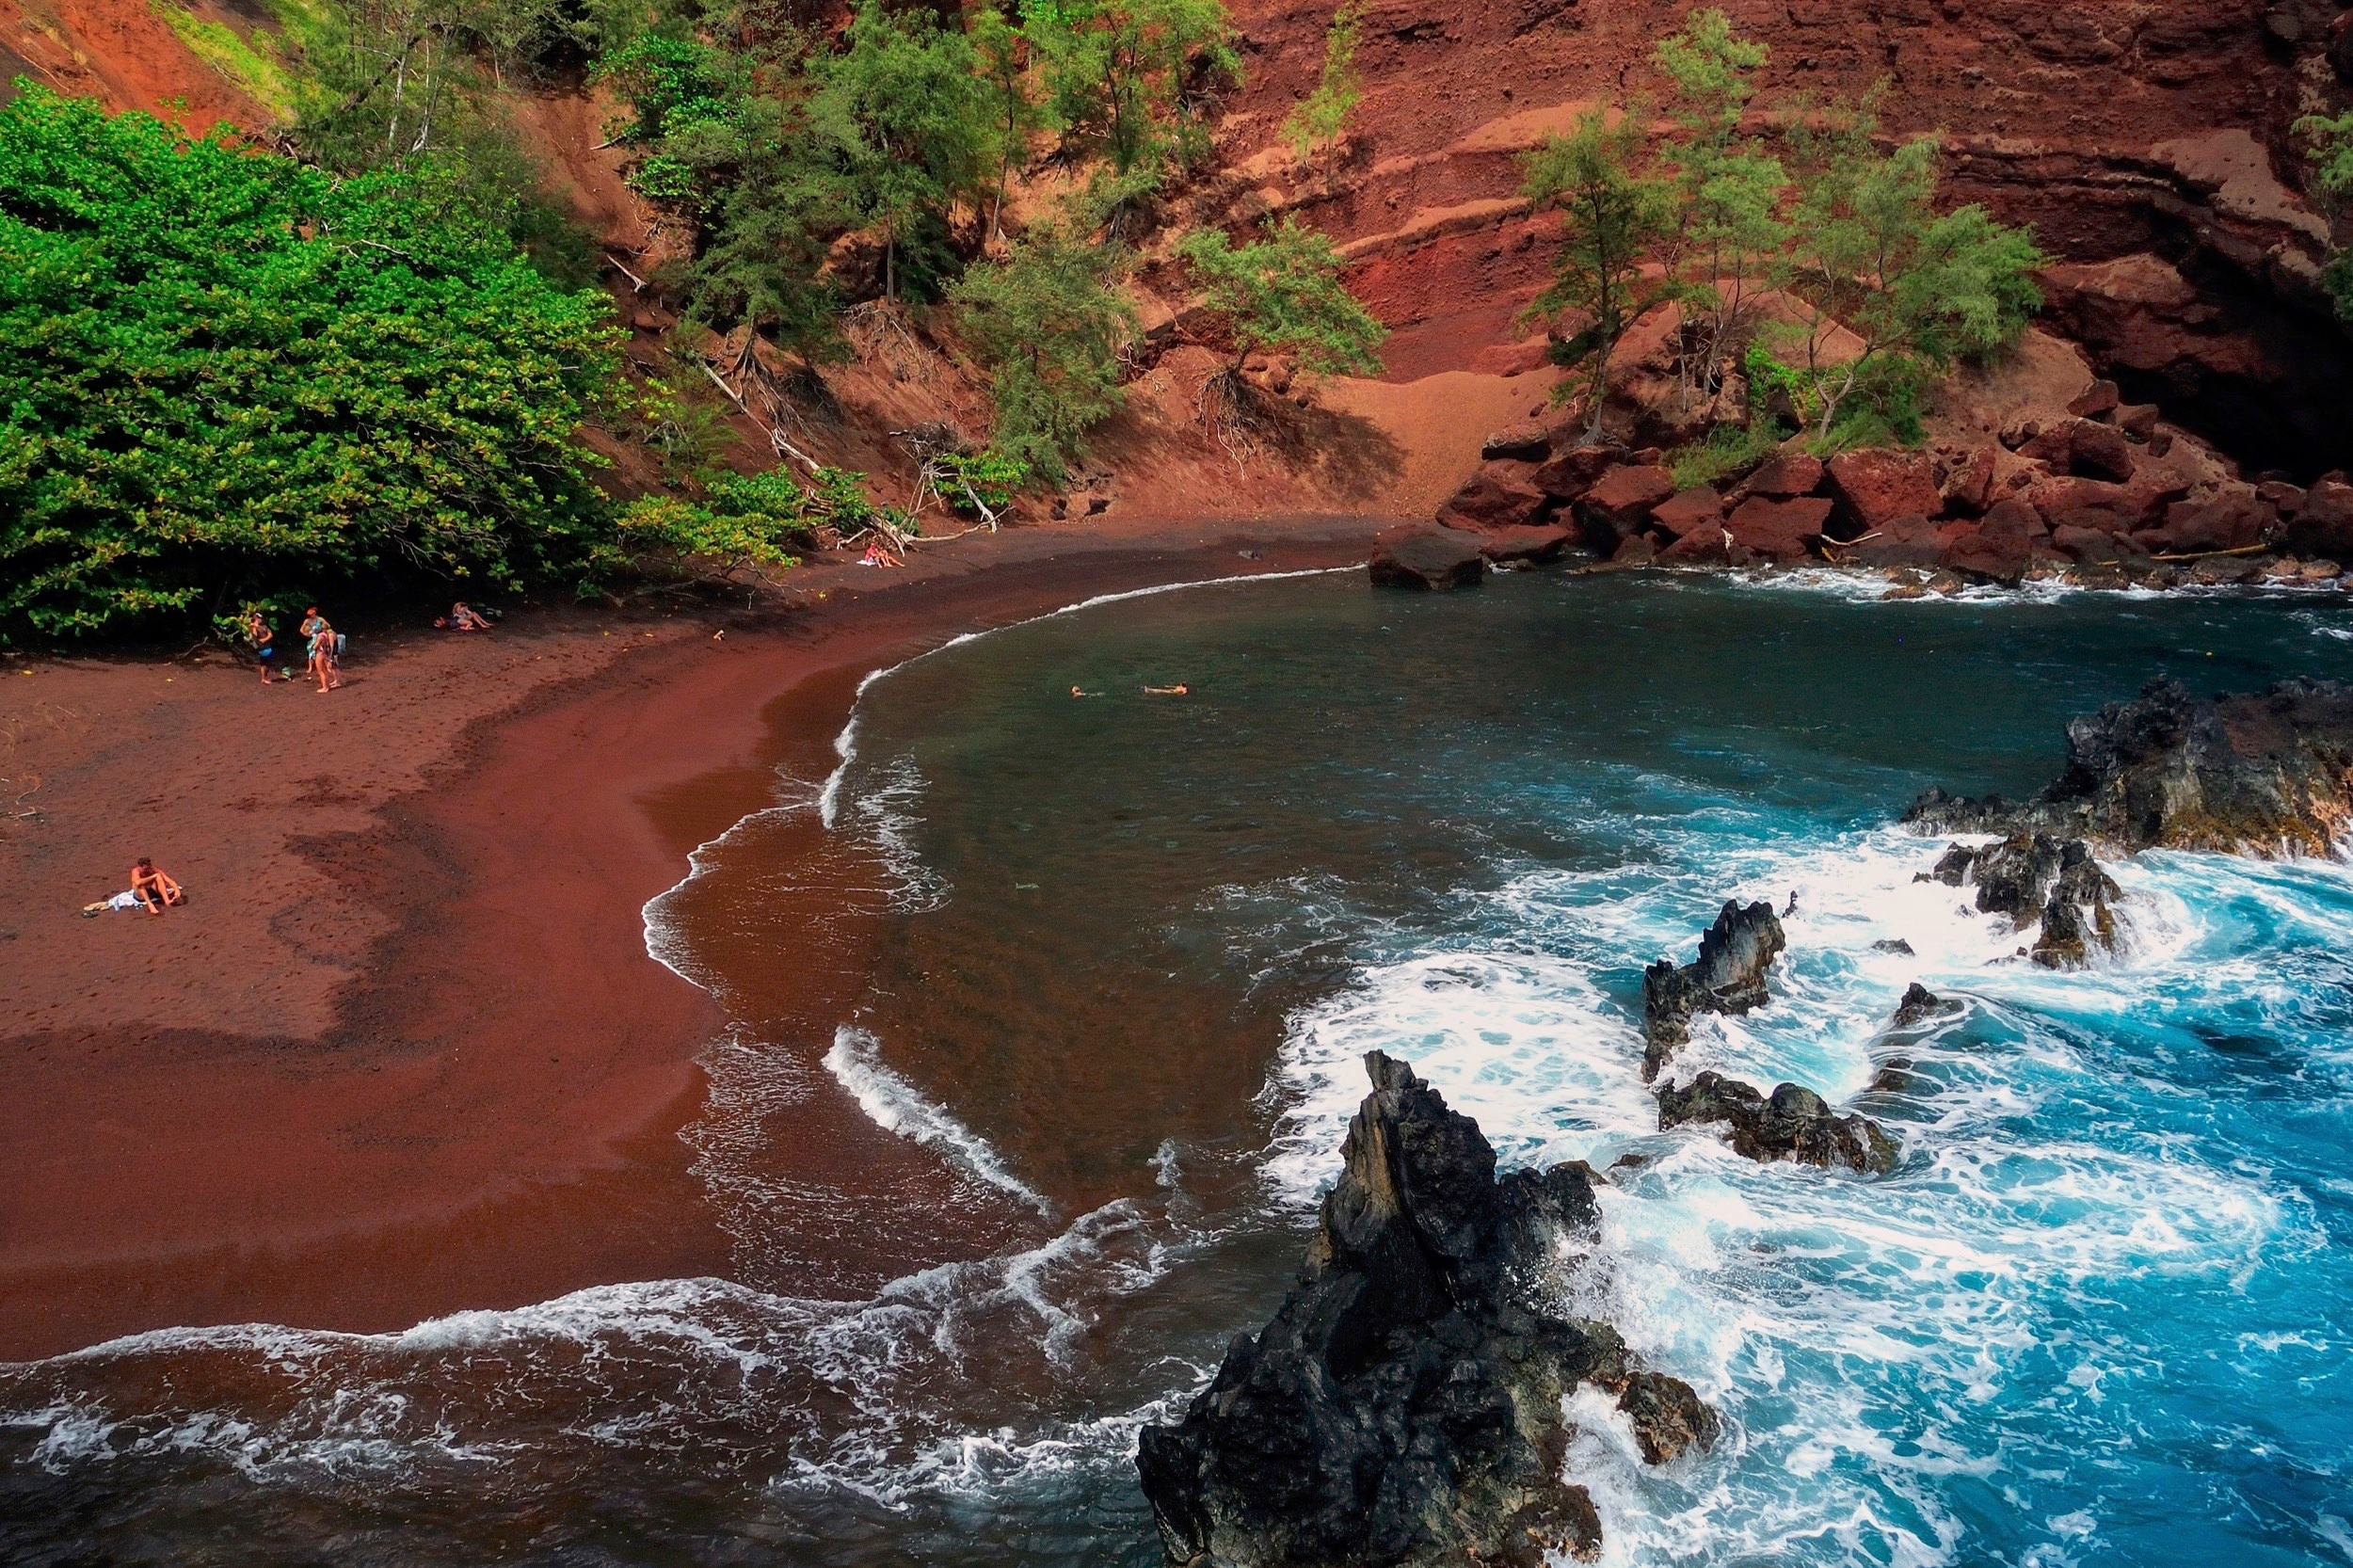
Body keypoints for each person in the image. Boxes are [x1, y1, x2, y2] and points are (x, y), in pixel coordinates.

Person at [244, 608, 279, 685]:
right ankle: (263, 678)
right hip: (261, 648)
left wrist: (264, 639)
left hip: (267, 646)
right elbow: (255, 635)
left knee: (269, 663)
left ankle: (265, 677)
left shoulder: (264, 626)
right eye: (259, 618)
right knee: (264, 663)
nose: (260, 620)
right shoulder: (252, 627)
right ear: (256, 619)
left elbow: (270, 634)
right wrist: (254, 627)